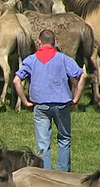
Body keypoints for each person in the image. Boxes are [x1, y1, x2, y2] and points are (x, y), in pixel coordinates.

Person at [12, 29, 86, 172]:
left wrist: (25, 101)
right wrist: (76, 97)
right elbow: (82, 75)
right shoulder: (63, 58)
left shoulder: (31, 60)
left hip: (40, 105)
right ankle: (63, 173)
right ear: (54, 43)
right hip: (62, 104)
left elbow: (16, 81)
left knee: (43, 143)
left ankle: (45, 174)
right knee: (64, 139)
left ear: (39, 42)